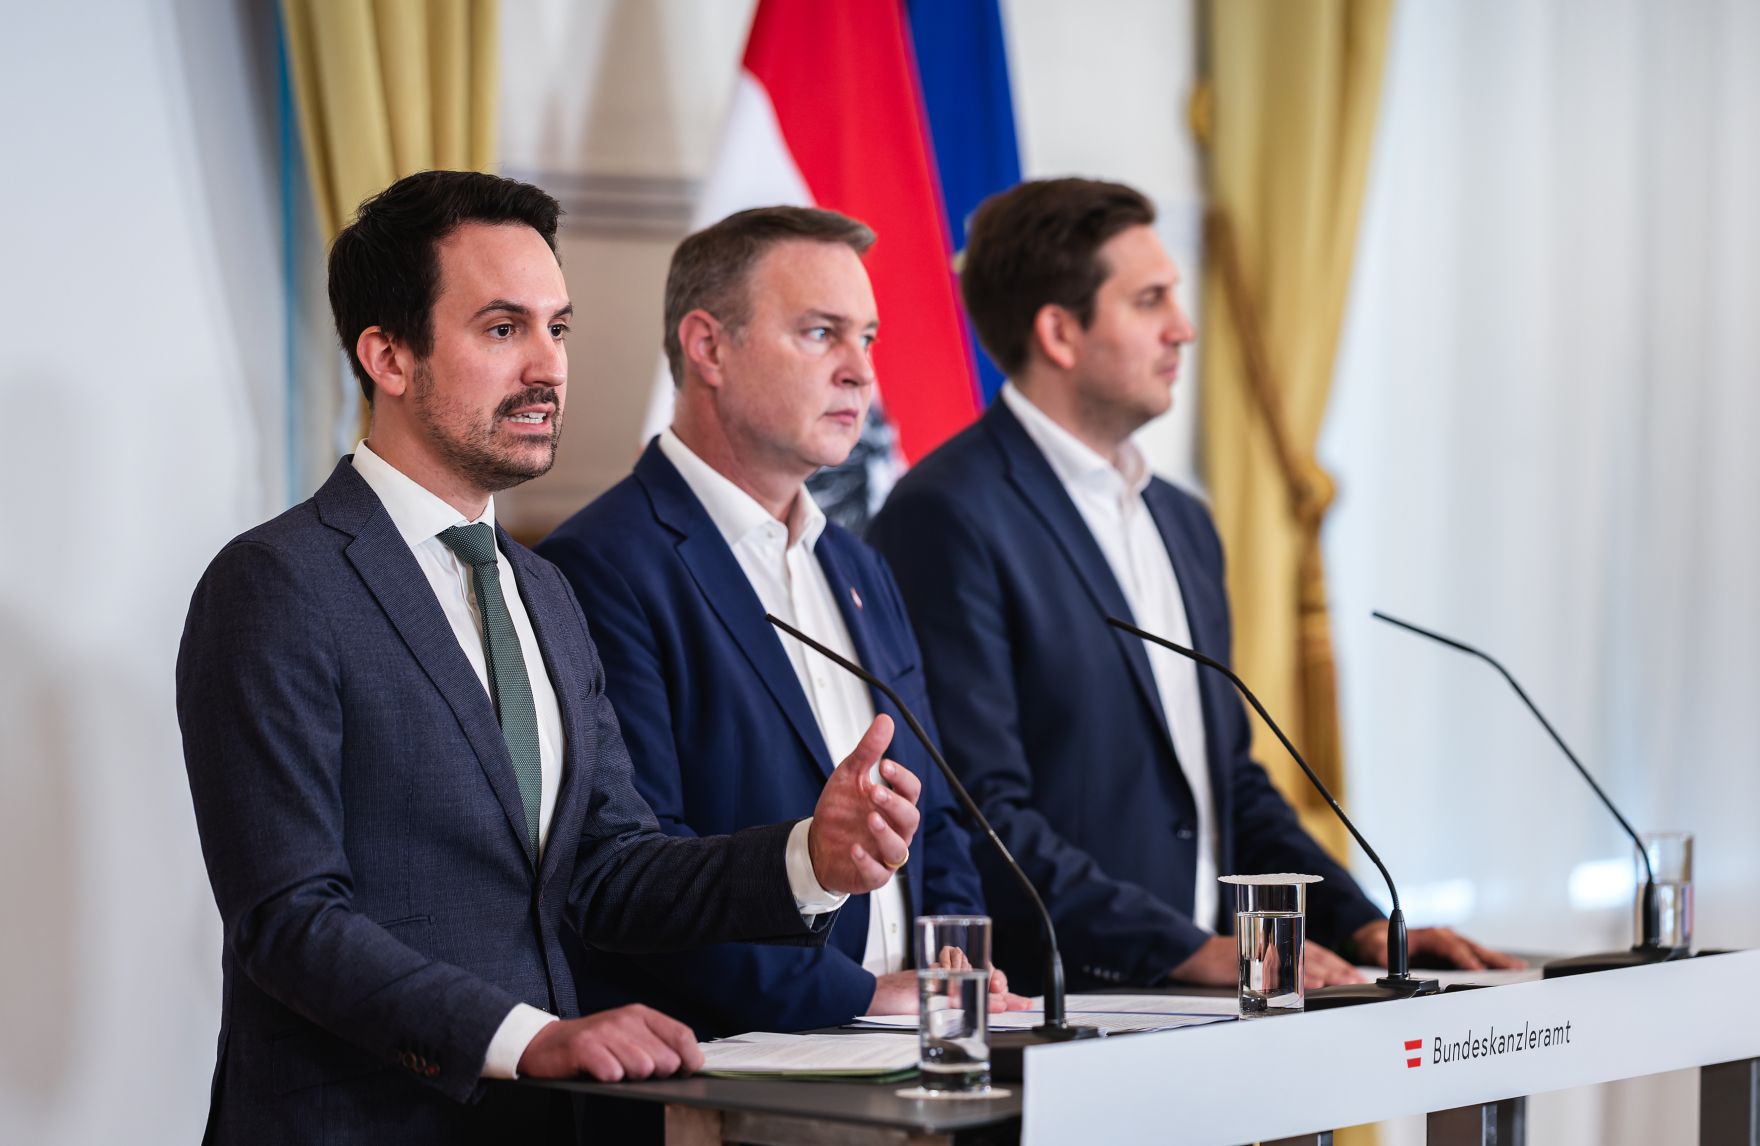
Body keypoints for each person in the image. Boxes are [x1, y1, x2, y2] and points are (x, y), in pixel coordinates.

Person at [176, 171, 921, 1145]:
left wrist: (805, 858)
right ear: (388, 355)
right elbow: (289, 918)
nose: (548, 366)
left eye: (557, 328)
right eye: (502, 328)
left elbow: (610, 870)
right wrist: (527, 1039)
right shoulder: (278, 582)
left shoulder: (543, 591)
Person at [867, 178, 1520, 994]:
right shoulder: (947, 515)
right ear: (1060, 332)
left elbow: (1226, 783)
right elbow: (979, 813)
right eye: (1150, 300)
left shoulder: (1182, 522)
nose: (1185, 326)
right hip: (1062, 1007)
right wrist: (1185, 950)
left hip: (1207, 1004)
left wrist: (1362, 926)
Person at [538, 206, 1024, 1035]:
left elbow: (935, 814)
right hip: (737, 1060)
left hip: (922, 1039)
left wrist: (955, 962)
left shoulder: (861, 567)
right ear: (708, 346)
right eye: (821, 333)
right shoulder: (599, 566)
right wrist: (854, 997)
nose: (860, 373)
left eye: (867, 339)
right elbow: (634, 868)